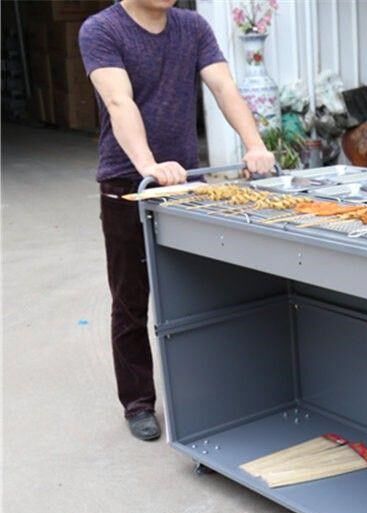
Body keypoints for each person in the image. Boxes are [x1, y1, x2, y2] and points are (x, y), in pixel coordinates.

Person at [79, 0, 275, 441]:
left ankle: (202, 396)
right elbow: (118, 101)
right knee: (131, 299)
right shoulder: (101, 29)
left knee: (197, 291)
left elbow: (224, 87)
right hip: (128, 182)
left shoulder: (192, 26)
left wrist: (254, 144)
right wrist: (148, 165)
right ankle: (137, 402)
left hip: (185, 182)